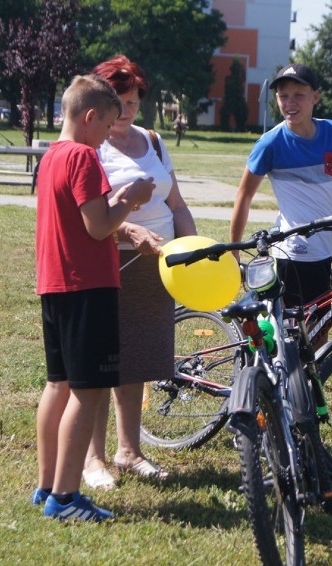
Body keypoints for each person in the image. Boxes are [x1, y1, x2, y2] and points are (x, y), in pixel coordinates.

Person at [31, 74, 155, 521]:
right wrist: (135, 199)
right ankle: (64, 498)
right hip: (88, 287)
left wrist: (118, 205)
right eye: (106, 127)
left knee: (58, 385)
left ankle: (46, 484)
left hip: (55, 285)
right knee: (88, 391)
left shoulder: (52, 156)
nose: (107, 137)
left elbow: (87, 215)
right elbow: (98, 227)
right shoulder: (85, 157)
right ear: (89, 118)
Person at [81, 54, 198, 491]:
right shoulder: (92, 145)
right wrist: (131, 230)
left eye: (132, 101)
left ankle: (128, 451)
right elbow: (90, 215)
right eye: (118, 101)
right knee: (101, 365)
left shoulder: (153, 140)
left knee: (138, 361)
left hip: (158, 265)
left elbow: (177, 204)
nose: (126, 111)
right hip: (113, 262)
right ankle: (92, 459)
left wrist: (192, 249)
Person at [230, 63, 332, 313]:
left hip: (323, 252)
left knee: (318, 334)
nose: (290, 103)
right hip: (289, 255)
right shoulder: (270, 144)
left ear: (315, 97)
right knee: (290, 336)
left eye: (298, 95)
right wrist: (234, 252)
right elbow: (243, 197)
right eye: (283, 96)